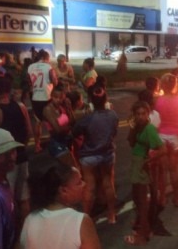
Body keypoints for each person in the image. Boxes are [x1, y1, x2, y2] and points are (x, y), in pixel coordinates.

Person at [20, 156, 101, 249]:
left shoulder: (30, 220)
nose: (84, 184)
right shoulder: (80, 221)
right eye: (79, 182)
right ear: (63, 190)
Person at [0, 76, 33, 233]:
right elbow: (29, 131)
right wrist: (21, 147)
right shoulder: (20, 106)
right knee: (24, 196)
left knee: (9, 199)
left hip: (7, 161)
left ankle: (12, 233)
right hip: (22, 156)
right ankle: (26, 232)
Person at [72, 87, 119, 224]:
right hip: (107, 153)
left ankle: (86, 219)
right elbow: (113, 133)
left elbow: (75, 132)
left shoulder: (88, 118)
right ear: (106, 100)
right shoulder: (113, 115)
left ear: (91, 101)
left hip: (89, 156)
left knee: (90, 187)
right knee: (108, 184)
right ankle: (112, 215)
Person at [124, 101, 167, 245]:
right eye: (138, 114)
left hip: (140, 164)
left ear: (148, 114)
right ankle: (144, 227)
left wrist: (148, 161)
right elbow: (130, 143)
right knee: (137, 200)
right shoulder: (137, 127)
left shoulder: (149, 129)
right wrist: (132, 127)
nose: (140, 116)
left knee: (142, 203)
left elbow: (162, 149)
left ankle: (143, 235)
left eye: (143, 113)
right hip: (136, 164)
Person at [154, 73, 178, 207]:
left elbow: (156, 118)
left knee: (162, 170)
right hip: (175, 136)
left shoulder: (158, 100)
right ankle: (176, 198)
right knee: (173, 169)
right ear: (174, 85)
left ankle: (163, 198)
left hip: (161, 136)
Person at [27, 49, 58, 153]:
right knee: (53, 120)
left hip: (35, 98)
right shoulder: (48, 67)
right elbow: (55, 81)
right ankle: (55, 143)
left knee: (38, 122)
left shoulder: (30, 67)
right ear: (46, 58)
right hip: (47, 97)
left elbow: (29, 83)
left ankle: (37, 145)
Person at [43, 84, 74, 166]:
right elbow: (57, 129)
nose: (58, 100)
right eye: (55, 97)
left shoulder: (62, 107)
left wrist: (69, 108)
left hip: (67, 141)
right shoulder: (48, 109)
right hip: (57, 143)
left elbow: (73, 121)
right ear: (51, 96)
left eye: (61, 98)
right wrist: (70, 128)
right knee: (70, 168)